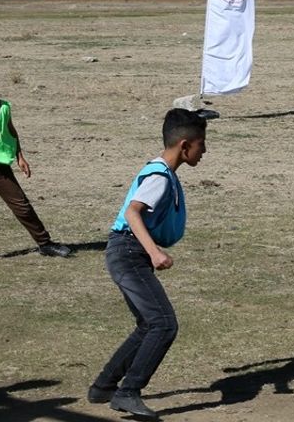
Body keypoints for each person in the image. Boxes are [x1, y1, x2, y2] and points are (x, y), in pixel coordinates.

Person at [88, 108, 208, 419]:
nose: (204, 150)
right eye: (201, 144)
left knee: (148, 324)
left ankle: (104, 386)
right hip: (128, 252)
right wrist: (154, 252)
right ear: (184, 145)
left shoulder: (163, 171)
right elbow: (132, 212)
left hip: (126, 252)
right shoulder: (159, 177)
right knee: (164, 324)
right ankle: (127, 392)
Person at [0, 96, 72, 257]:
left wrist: (19, 157)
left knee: (21, 205)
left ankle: (45, 244)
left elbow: (11, 131)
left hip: (0, 168)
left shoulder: (3, 107)